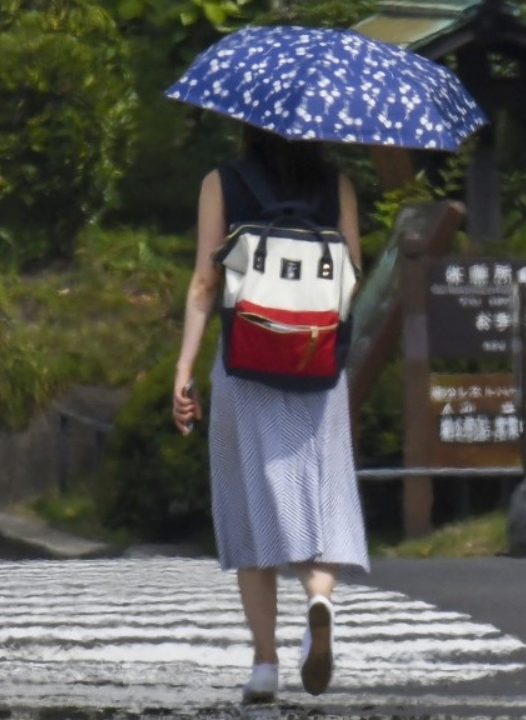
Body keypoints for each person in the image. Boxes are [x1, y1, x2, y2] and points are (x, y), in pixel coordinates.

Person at [171, 126, 369, 703]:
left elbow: (206, 282)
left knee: (248, 505)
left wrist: (184, 367)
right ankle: (319, 595)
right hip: (317, 365)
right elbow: (351, 275)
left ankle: (264, 664)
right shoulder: (339, 185)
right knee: (321, 495)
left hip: (245, 365)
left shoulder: (222, 183)